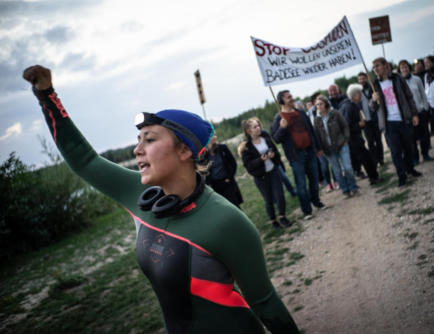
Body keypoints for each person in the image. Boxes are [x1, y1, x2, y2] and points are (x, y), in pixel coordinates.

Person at [23, 65, 299, 334]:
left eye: (149, 140)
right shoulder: (140, 196)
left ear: (184, 151)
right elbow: (85, 161)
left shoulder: (227, 221)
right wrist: (47, 95)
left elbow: (266, 304)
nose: (137, 149)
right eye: (138, 139)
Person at [272, 90, 325, 220]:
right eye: (288, 97)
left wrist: (317, 147)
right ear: (282, 101)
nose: (291, 98)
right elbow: (276, 138)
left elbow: (311, 130)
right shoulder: (279, 117)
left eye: (291, 96)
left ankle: (316, 201)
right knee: (301, 184)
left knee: (314, 179)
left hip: (310, 151)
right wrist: (282, 128)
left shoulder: (300, 112)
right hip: (296, 156)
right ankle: (307, 211)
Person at [371, 57, 423, 187]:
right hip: (389, 123)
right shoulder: (374, 85)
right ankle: (402, 176)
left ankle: (410, 169)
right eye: (374, 67)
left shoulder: (397, 78)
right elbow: (372, 108)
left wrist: (414, 114)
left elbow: (409, 96)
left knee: (408, 147)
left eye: (377, 66)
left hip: (403, 119)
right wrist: (373, 100)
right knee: (395, 151)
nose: (375, 69)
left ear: (385, 66)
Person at [240, 117, 292, 229]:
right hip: (261, 177)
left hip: (273, 170)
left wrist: (274, 155)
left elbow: (276, 151)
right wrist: (260, 160)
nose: (258, 128)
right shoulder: (247, 147)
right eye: (255, 127)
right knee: (268, 199)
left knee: (279, 194)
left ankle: (283, 217)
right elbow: (248, 165)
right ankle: (273, 220)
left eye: (258, 125)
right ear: (249, 131)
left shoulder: (265, 138)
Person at [313, 95, 358, 197]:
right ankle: (345, 189)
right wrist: (319, 148)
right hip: (327, 149)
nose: (319, 106)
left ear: (326, 104)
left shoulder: (335, 113)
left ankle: (353, 187)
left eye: (321, 104)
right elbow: (316, 135)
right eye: (317, 105)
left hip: (342, 144)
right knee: (337, 171)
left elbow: (345, 126)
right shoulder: (316, 120)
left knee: (348, 168)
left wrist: (346, 139)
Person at [340, 84, 381, 185]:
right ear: (355, 95)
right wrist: (359, 125)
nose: (361, 95)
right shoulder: (349, 106)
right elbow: (347, 126)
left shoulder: (350, 104)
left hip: (354, 139)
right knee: (366, 158)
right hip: (353, 140)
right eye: (360, 93)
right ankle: (373, 178)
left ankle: (373, 177)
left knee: (366, 157)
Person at [398, 59, 434, 164]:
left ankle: (426, 154)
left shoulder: (417, 79)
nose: (404, 69)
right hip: (409, 115)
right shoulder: (399, 82)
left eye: (405, 67)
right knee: (412, 138)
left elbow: (423, 93)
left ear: (409, 68)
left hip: (420, 111)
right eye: (402, 68)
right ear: (400, 70)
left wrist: (425, 107)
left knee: (424, 135)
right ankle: (415, 158)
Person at [308, 91, 336, 192]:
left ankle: (336, 181)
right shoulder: (311, 112)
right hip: (318, 143)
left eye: (319, 99)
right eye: (315, 99)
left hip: (328, 141)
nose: (317, 102)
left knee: (333, 163)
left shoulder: (328, 109)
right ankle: (328, 183)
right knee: (324, 166)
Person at [206, 133, 243, 208]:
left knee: (235, 206)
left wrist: (229, 177)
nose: (215, 137)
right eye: (213, 135)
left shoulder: (222, 148)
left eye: (216, 134)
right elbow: (204, 171)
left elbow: (233, 163)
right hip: (216, 187)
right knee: (224, 208)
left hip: (227, 182)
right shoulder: (204, 155)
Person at [358, 72, 384, 166]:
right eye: (360, 79)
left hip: (375, 118)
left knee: (378, 140)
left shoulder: (372, 87)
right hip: (366, 121)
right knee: (370, 142)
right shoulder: (358, 92)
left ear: (366, 78)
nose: (362, 80)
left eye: (363, 78)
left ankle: (381, 159)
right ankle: (374, 160)